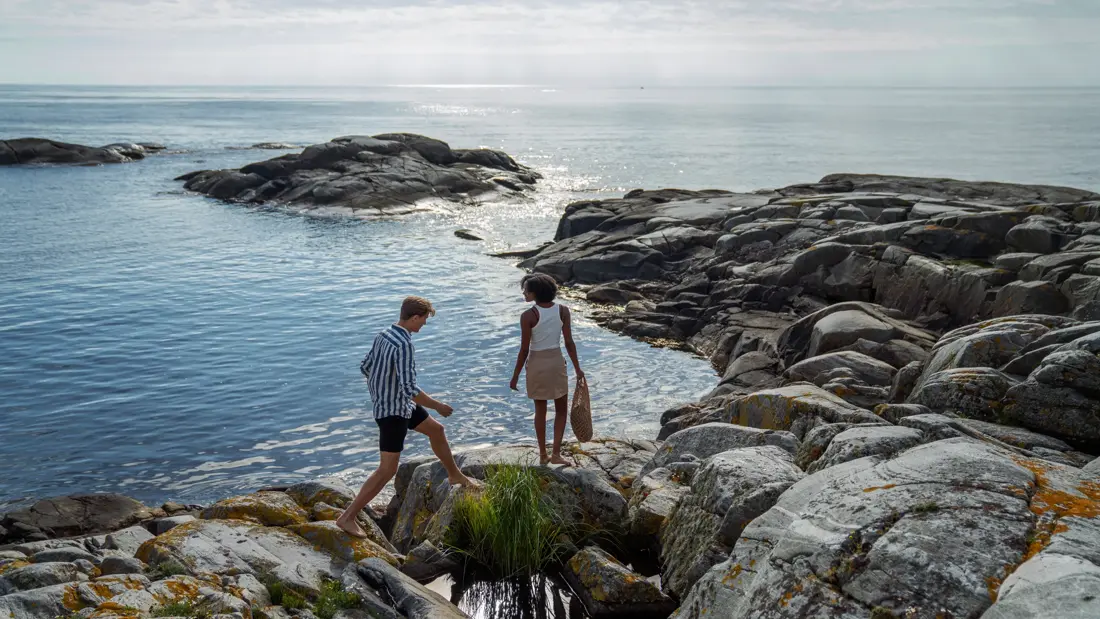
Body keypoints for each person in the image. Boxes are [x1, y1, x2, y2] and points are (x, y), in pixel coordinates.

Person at [336, 295, 476, 539]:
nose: (423, 325)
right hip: (392, 413)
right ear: (413, 318)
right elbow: (410, 388)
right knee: (386, 470)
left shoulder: (383, 334)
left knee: (437, 431)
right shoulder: (404, 344)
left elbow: (365, 367)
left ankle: (454, 474)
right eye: (423, 320)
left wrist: (381, 390)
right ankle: (347, 517)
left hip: (399, 406)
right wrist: (437, 405)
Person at [509, 274, 584, 466]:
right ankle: (557, 453)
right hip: (557, 362)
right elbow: (569, 342)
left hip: (536, 364)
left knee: (540, 411)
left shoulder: (528, 316)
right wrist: (578, 368)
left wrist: (515, 375)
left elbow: (524, 349)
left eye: (526, 290)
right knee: (561, 410)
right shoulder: (563, 311)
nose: (523, 293)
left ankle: (543, 454)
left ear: (535, 293)